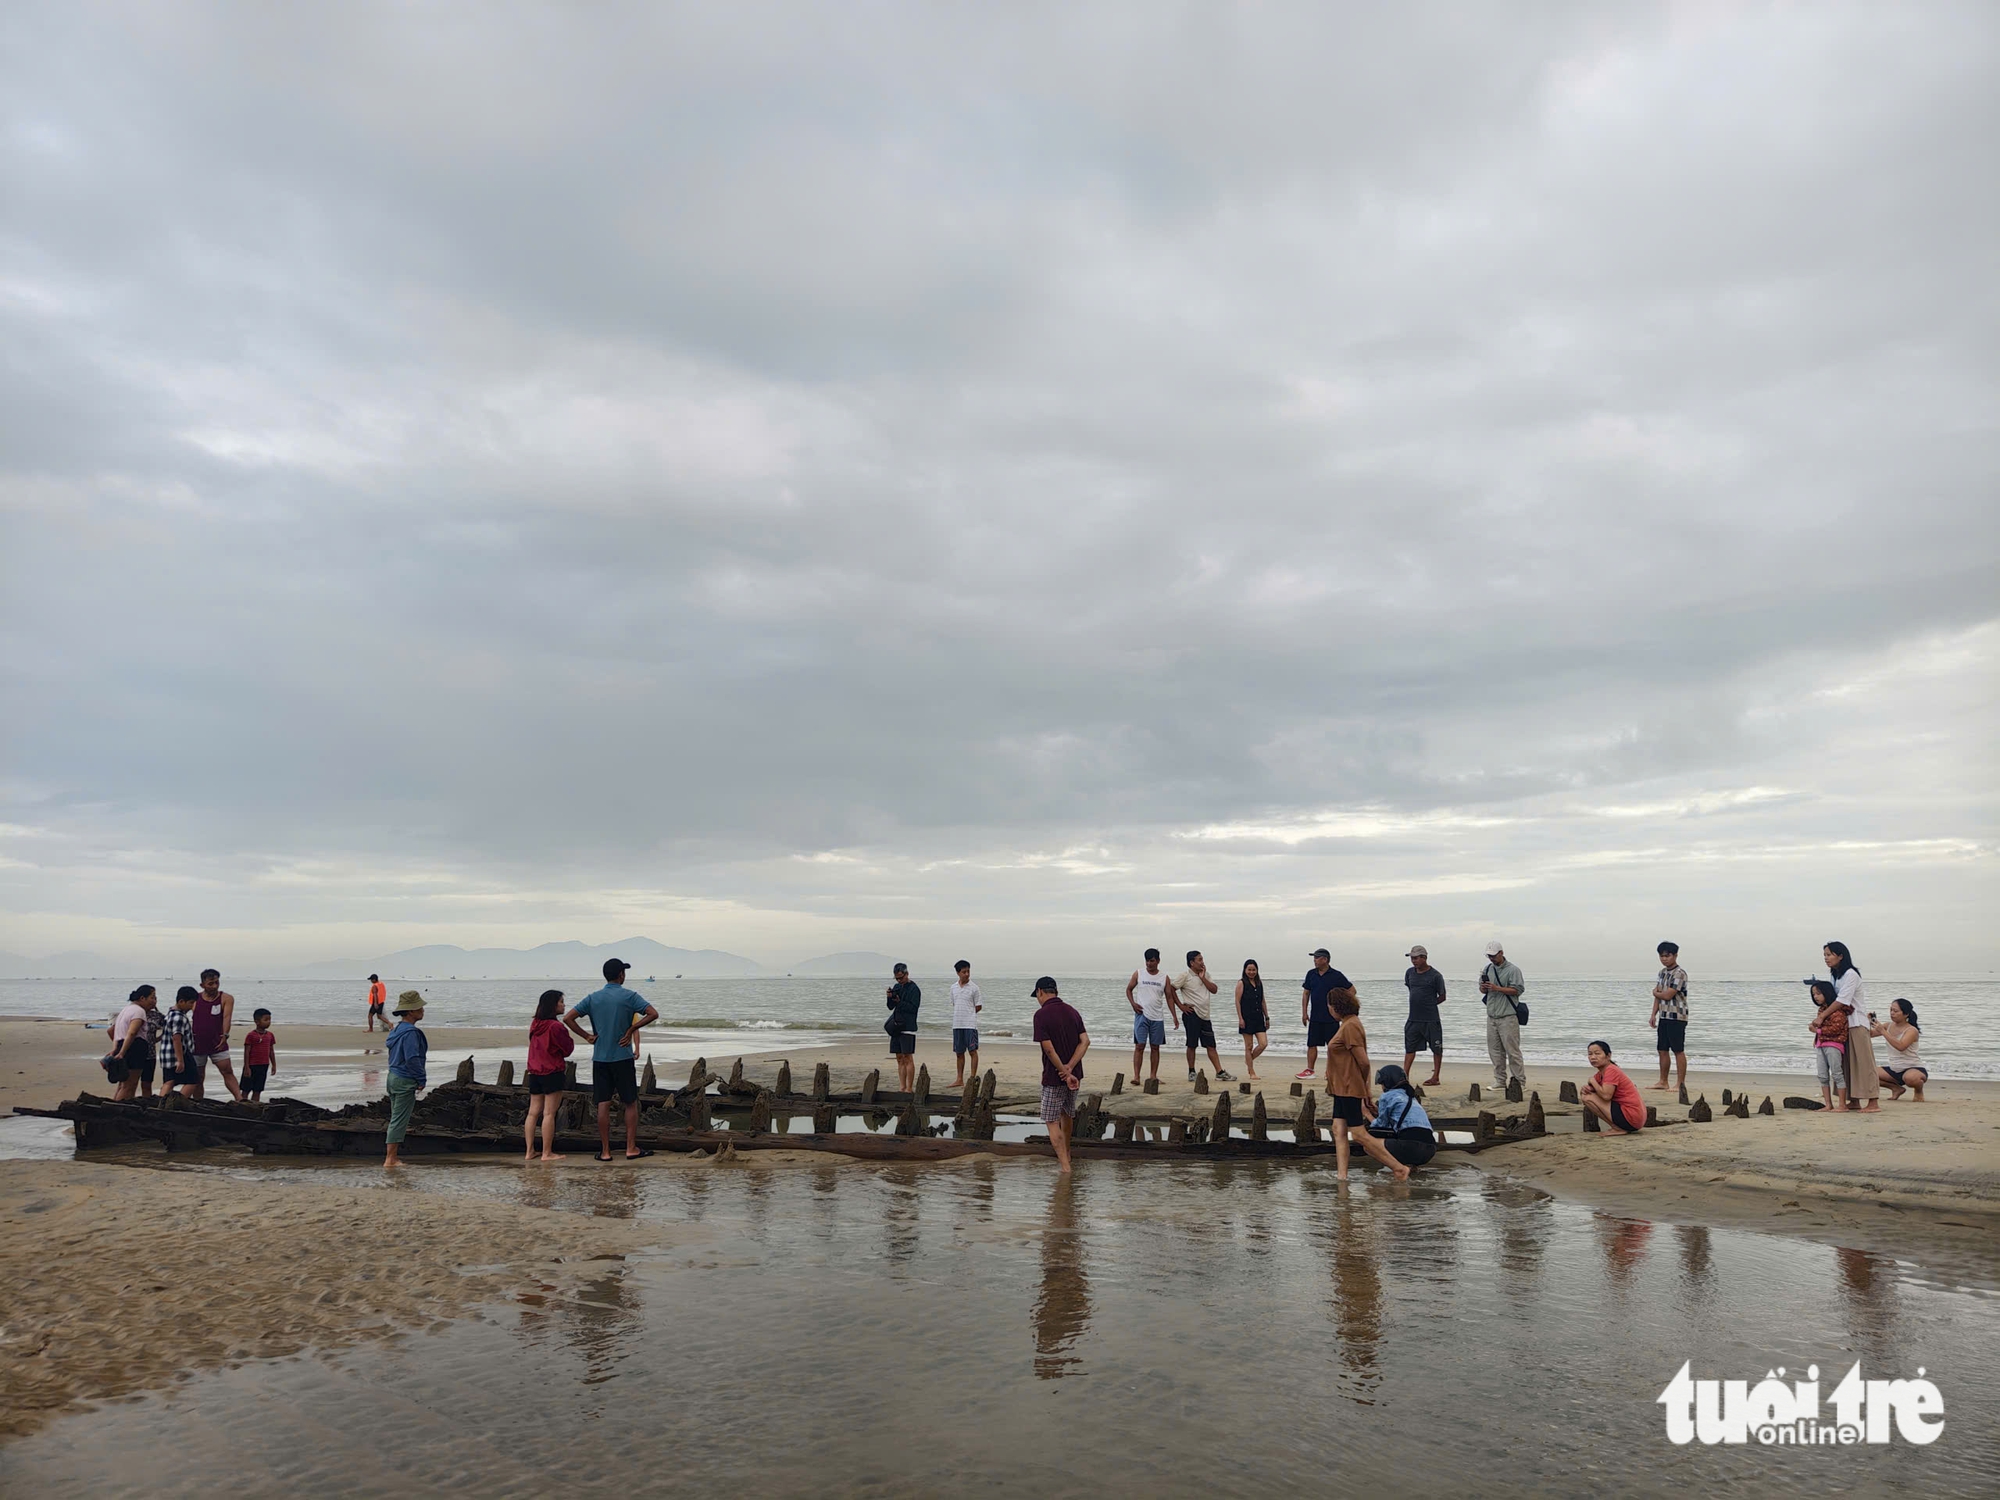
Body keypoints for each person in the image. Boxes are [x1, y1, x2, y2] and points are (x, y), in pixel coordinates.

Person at [566, 958, 660, 1161]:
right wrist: (632, 1028)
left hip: (600, 1057)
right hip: (623, 1056)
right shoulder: (629, 996)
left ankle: (606, 1151)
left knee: (603, 1103)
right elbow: (653, 1013)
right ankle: (630, 1148)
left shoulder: (593, 998)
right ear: (621, 975)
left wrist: (587, 1036)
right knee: (630, 1102)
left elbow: (568, 1018)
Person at [1031, 977, 1089, 1175]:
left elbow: (1048, 1049)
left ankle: (1065, 1167)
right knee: (1067, 1113)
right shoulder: (1072, 1011)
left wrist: (1063, 1072)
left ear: (1040, 992)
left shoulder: (1041, 1015)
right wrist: (1071, 1068)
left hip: (1054, 1077)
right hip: (1074, 1076)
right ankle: (1068, 1153)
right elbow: (1085, 1042)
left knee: (1051, 1120)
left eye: (1037, 995)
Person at [1322, 989, 1371, 1179]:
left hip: (1349, 1086)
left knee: (1358, 1133)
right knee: (1338, 1130)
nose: (1329, 1009)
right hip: (1340, 1086)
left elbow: (1364, 1062)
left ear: (1336, 1007)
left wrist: (1364, 1086)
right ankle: (1342, 1175)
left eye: (1329, 1006)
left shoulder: (1350, 1026)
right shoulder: (1345, 1025)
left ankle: (1398, 1166)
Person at [1826, 942, 1879, 1113]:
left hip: (1857, 1023)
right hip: (1842, 1024)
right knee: (1846, 1063)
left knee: (1864, 1062)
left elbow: (1842, 1000)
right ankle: (1854, 1100)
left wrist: (1822, 1016)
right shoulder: (1835, 975)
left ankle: (1873, 1102)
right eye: (1825, 955)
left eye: (1829, 954)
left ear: (1840, 955)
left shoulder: (1851, 974)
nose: (1826, 958)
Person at [1359, 1063, 1437, 1179]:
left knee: (1369, 1145)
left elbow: (1380, 1125)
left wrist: (1366, 1114)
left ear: (1387, 1083)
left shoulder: (1388, 1096)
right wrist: (1377, 1111)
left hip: (1410, 1146)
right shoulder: (1411, 1097)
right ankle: (1411, 1168)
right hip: (1430, 1149)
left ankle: (1399, 1169)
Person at [525, 988, 574, 1160]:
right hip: (552, 1071)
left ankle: (529, 1150)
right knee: (549, 1113)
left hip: (535, 1071)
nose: (563, 1004)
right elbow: (567, 1049)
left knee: (533, 1112)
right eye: (561, 1001)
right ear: (553, 1006)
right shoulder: (556, 1026)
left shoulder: (535, 1024)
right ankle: (547, 1152)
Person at [383, 991, 428, 1168]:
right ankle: (390, 1159)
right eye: (419, 1007)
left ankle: (392, 1156)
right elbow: (412, 1058)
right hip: (404, 1079)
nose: (423, 1010)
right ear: (410, 1011)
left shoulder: (398, 1030)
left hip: (392, 1077)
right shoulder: (410, 1033)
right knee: (399, 1120)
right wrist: (421, 1078)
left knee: (396, 1118)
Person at [1174, 951, 1231, 1082]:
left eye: (1202, 959)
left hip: (1205, 1015)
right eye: (1199, 960)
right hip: (1191, 1014)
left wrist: (1203, 978)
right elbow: (1171, 990)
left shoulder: (1206, 975)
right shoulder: (1184, 976)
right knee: (1192, 1044)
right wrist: (1181, 1006)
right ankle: (1191, 1071)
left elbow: (1214, 990)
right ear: (1191, 962)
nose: (1202, 962)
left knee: (1211, 1045)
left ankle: (1219, 1072)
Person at [189, 968, 244, 1102]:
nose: (214, 986)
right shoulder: (195, 999)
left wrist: (225, 1035)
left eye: (216, 982)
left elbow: (227, 1017)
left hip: (217, 1042)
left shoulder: (226, 998)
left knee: (227, 1071)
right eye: (210, 983)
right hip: (197, 1043)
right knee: (198, 1076)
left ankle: (240, 1099)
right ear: (202, 985)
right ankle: (198, 1102)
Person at [1299, 948, 1354, 1080]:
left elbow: (1352, 990)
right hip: (1315, 1016)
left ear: (1325, 959)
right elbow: (1306, 993)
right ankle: (1310, 1070)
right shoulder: (1311, 974)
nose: (1315, 960)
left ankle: (1331, 1071)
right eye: (1314, 958)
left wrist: (1341, 1007)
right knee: (1311, 1043)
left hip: (1331, 1018)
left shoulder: (1336, 975)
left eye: (1317, 958)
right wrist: (1304, 1012)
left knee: (1333, 1045)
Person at [1478, 941, 1526, 1094]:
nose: (1491, 958)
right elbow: (1481, 989)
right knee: (1495, 1051)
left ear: (1501, 953)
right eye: (1489, 956)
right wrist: (1484, 988)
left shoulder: (1513, 970)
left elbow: (1518, 990)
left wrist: (1497, 988)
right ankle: (1500, 1080)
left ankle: (1519, 1081)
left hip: (1508, 1015)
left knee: (1512, 1050)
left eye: (1493, 955)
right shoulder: (1487, 969)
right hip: (1492, 1015)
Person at [1126, 949, 1176, 1087]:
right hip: (1142, 1015)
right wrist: (1133, 1004)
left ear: (1158, 961)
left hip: (1157, 1017)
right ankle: (1136, 1076)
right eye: (1147, 960)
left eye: (1152, 960)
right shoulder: (1139, 973)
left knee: (1155, 1047)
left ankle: (1153, 1075)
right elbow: (1128, 989)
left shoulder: (1164, 977)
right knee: (1139, 1046)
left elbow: (1169, 997)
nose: (1149, 963)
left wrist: (1174, 1016)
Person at [1400, 946, 1446, 1087]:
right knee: (1410, 1048)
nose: (1413, 961)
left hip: (1431, 1019)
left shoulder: (1435, 976)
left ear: (1424, 958)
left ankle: (1435, 1076)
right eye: (1412, 958)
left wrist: (1430, 1005)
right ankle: (1404, 1076)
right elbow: (1411, 988)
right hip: (1413, 1018)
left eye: (1416, 958)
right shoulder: (1409, 973)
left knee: (1436, 1048)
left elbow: (1442, 996)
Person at [1648, 941, 1689, 1093]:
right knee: (1662, 1049)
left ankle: (1680, 1083)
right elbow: (1659, 996)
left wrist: (1655, 992)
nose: (1664, 959)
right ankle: (1663, 1081)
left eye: (1667, 955)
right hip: (1664, 1015)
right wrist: (1653, 1014)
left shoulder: (1680, 973)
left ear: (1675, 955)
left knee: (1678, 1050)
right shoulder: (1662, 973)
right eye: (1662, 956)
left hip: (1677, 1015)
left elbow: (1667, 994)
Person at [1579, 1040, 1645, 1135]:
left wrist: (1592, 1081)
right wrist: (1589, 1088)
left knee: (1587, 1097)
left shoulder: (1611, 1070)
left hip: (1631, 1117)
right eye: (1590, 1054)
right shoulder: (1601, 1073)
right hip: (1634, 1118)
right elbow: (1598, 1089)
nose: (1593, 1057)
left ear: (1608, 1056)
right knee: (1586, 1093)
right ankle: (1618, 1127)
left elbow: (1606, 1096)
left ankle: (1617, 1128)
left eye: (1597, 1053)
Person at [105, 985, 157, 1102]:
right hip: (134, 1048)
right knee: (130, 1085)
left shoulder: (126, 1010)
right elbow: (132, 1033)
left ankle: (114, 1107)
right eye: (152, 997)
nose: (153, 1001)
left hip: (122, 1045)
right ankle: (119, 1110)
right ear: (142, 998)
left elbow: (115, 1032)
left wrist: (115, 1049)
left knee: (122, 1084)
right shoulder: (139, 1011)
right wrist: (122, 1052)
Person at [1807, 979, 1851, 1110]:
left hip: (1834, 1045)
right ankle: (1828, 1104)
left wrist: (1817, 1031)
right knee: (1822, 1075)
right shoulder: (1821, 1010)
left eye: (1818, 993)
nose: (1816, 996)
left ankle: (1842, 1104)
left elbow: (1836, 1029)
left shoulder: (1838, 1011)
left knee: (1837, 1074)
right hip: (1821, 1045)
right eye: (1814, 994)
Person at [1873, 999, 1928, 1103]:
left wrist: (1883, 1032)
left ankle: (1918, 1091)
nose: (1892, 1013)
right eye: (1891, 1010)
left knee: (1910, 1078)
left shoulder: (1911, 1030)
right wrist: (1868, 1021)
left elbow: (1901, 1046)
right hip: (1894, 1069)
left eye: (1895, 1011)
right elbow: (1869, 1034)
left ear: (1906, 1014)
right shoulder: (1887, 1026)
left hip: (1913, 1068)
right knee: (1867, 1073)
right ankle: (1896, 1088)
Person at [884, 962, 923, 1093]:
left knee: (908, 1057)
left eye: (901, 978)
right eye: (897, 978)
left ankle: (909, 1088)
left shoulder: (914, 989)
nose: (900, 981)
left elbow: (913, 1008)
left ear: (907, 974)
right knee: (899, 1057)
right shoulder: (897, 987)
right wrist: (890, 997)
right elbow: (890, 1006)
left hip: (908, 1027)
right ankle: (902, 1087)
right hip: (896, 1026)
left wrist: (899, 1002)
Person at [160, 987, 200, 1097]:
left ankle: (161, 1103)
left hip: (166, 1053)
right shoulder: (179, 1017)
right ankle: (177, 1102)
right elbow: (177, 1038)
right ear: (181, 1001)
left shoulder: (170, 1013)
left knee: (169, 1081)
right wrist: (180, 1060)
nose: (192, 1007)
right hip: (180, 1053)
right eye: (191, 1003)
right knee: (192, 1080)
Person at [949, 960, 983, 1088]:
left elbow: (978, 1006)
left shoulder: (974, 988)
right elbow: (954, 1003)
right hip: (957, 1024)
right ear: (958, 973)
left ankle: (972, 1077)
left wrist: (970, 1014)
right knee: (959, 1052)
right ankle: (959, 1079)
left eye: (968, 971)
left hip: (970, 1024)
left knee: (972, 1050)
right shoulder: (953, 987)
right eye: (964, 972)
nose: (967, 974)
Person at [1235, 959, 1269, 1080]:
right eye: (1249, 969)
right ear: (1245, 970)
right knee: (1248, 1046)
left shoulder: (1259, 983)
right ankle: (1251, 1072)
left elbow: (1262, 1001)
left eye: (1253, 970)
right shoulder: (1241, 983)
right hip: (1246, 1018)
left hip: (1259, 1018)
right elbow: (1237, 1002)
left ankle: (1248, 1059)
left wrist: (1267, 1017)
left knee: (1263, 1044)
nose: (1251, 972)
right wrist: (1240, 1018)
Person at [241, 1008, 277, 1101]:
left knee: (258, 1089)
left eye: (269, 1019)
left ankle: (254, 1107)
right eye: (265, 1020)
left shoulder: (270, 1035)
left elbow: (271, 1051)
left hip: (264, 1065)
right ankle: (241, 1105)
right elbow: (247, 1052)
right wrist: (246, 1067)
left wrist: (274, 1065)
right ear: (257, 1021)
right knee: (246, 1089)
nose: (268, 1022)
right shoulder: (251, 1035)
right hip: (252, 1065)